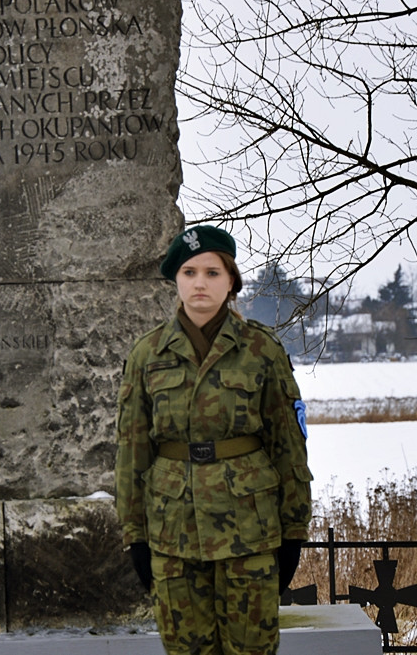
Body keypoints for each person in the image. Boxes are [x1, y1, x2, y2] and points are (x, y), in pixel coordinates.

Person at [115, 226, 313, 655]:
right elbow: (132, 453)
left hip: (251, 530)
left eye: (212, 272)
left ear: (232, 281)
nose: (199, 283)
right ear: (177, 281)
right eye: (189, 272)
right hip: (173, 533)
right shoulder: (148, 354)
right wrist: (136, 536)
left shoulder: (262, 349)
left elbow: (289, 447)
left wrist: (294, 532)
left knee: (252, 650)